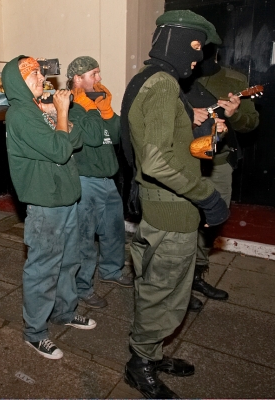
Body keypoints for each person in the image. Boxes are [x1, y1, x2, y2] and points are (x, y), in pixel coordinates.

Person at [120, 10, 230, 398]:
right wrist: (208, 197)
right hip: (171, 208)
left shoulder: (148, 79)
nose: (198, 59)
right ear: (176, 42)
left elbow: (168, 147)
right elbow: (155, 161)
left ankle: (150, 351)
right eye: (196, 47)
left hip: (167, 205)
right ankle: (140, 365)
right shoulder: (164, 84)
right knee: (162, 293)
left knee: (162, 289)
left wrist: (202, 127)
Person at [1, 56, 96, 361]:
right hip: (45, 203)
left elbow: (77, 139)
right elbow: (59, 148)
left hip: (66, 198)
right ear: (18, 81)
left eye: (41, 73)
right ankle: (35, 333)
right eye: (35, 75)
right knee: (43, 269)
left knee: (69, 261)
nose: (43, 79)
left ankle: (64, 311)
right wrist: (62, 113)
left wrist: (58, 114)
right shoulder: (20, 114)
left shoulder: (38, 109)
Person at [183, 43, 260, 307]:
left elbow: (251, 123)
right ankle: (179, 285)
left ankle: (196, 274)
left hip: (219, 162)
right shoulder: (179, 75)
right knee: (183, 221)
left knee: (213, 220)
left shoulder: (234, 79)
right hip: (185, 161)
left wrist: (234, 114)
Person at [66, 56, 132, 309]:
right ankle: (82, 286)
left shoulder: (95, 103)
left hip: (107, 179)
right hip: (85, 181)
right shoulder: (71, 107)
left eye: (98, 73)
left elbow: (114, 136)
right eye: (94, 74)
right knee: (84, 238)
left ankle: (111, 271)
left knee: (114, 231)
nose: (99, 78)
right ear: (78, 79)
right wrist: (91, 108)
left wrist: (106, 110)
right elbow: (92, 138)